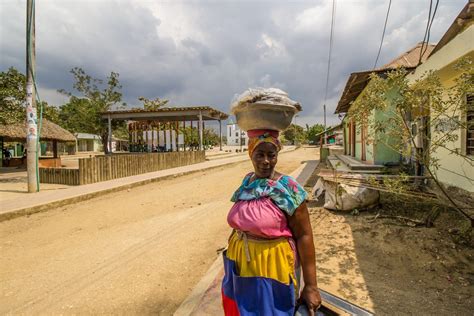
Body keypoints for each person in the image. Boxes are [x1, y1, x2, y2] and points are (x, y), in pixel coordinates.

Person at [221, 129, 321, 315]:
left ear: (277, 156)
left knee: (271, 310)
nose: (266, 161)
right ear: (251, 154)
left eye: (271, 155)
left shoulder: (289, 188)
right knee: (241, 308)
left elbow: (305, 235)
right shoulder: (247, 181)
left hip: (272, 265)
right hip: (240, 263)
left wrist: (311, 286)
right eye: (260, 154)